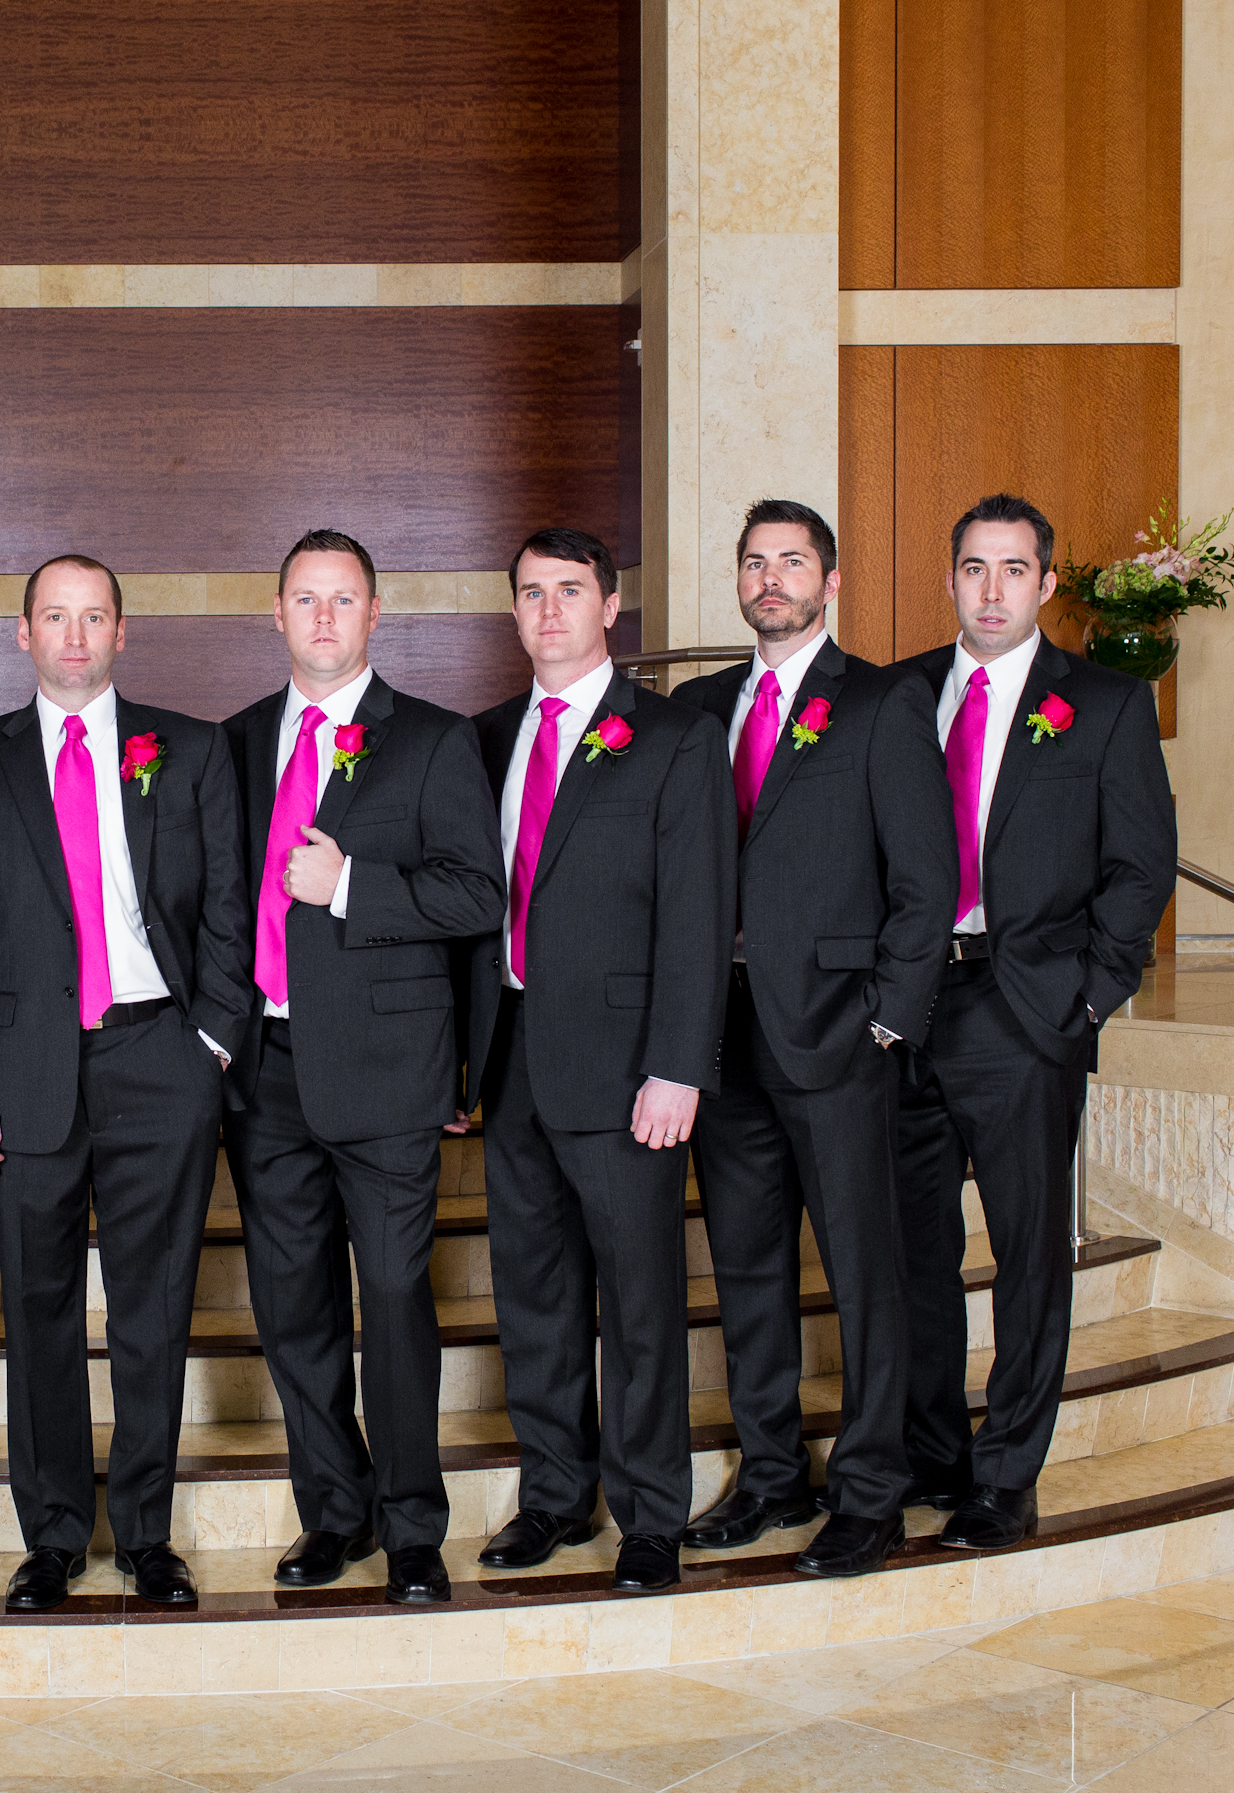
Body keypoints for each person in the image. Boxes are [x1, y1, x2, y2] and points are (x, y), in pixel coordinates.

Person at [0, 555, 252, 1612]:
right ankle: (55, 1536)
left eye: (93, 616)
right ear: (22, 633)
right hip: (22, 1072)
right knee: (39, 1306)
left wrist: (212, 1043)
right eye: (55, 617)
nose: (74, 635)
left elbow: (229, 906)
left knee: (154, 1306)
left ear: (121, 630)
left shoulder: (191, 748)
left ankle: (147, 1533)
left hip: (161, 1059)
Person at [670, 499, 955, 1579]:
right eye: (755, 562)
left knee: (864, 1274)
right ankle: (772, 1474)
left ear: (829, 582)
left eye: (792, 562)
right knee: (746, 1269)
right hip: (721, 1036)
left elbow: (927, 879)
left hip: (838, 1036)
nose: (770, 579)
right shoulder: (699, 709)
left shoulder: (881, 701)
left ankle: (871, 1492)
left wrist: (887, 1017)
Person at [218, 529, 503, 1605]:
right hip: (264, 1070)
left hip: (387, 1072)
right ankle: (333, 1513)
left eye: (345, 599)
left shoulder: (431, 739)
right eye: (306, 598)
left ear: (376, 614)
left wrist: (349, 884)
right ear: (277, 613)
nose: (325, 617)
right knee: (292, 1308)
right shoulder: (234, 742)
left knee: (389, 1298)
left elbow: (477, 895)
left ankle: (412, 1523)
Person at [893, 493, 1177, 1549]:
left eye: (1014, 569)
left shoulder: (1101, 703)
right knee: (910, 1251)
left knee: (1025, 1252)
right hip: (907, 1009)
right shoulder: (899, 694)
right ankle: (933, 1454)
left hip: (1026, 1011)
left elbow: (1140, 865)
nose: (992, 589)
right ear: (950, 578)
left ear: (1047, 584)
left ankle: (1007, 1474)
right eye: (974, 567)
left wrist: (1091, 994)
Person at [463, 528, 733, 1595]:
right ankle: (553, 1496)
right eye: (531, 592)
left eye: (569, 590)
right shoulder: (485, 738)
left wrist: (680, 1065)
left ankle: (650, 1512)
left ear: (610, 606)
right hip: (510, 1058)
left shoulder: (672, 737)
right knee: (532, 1293)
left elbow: (698, 913)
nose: (549, 610)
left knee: (640, 1299)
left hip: (628, 1072)